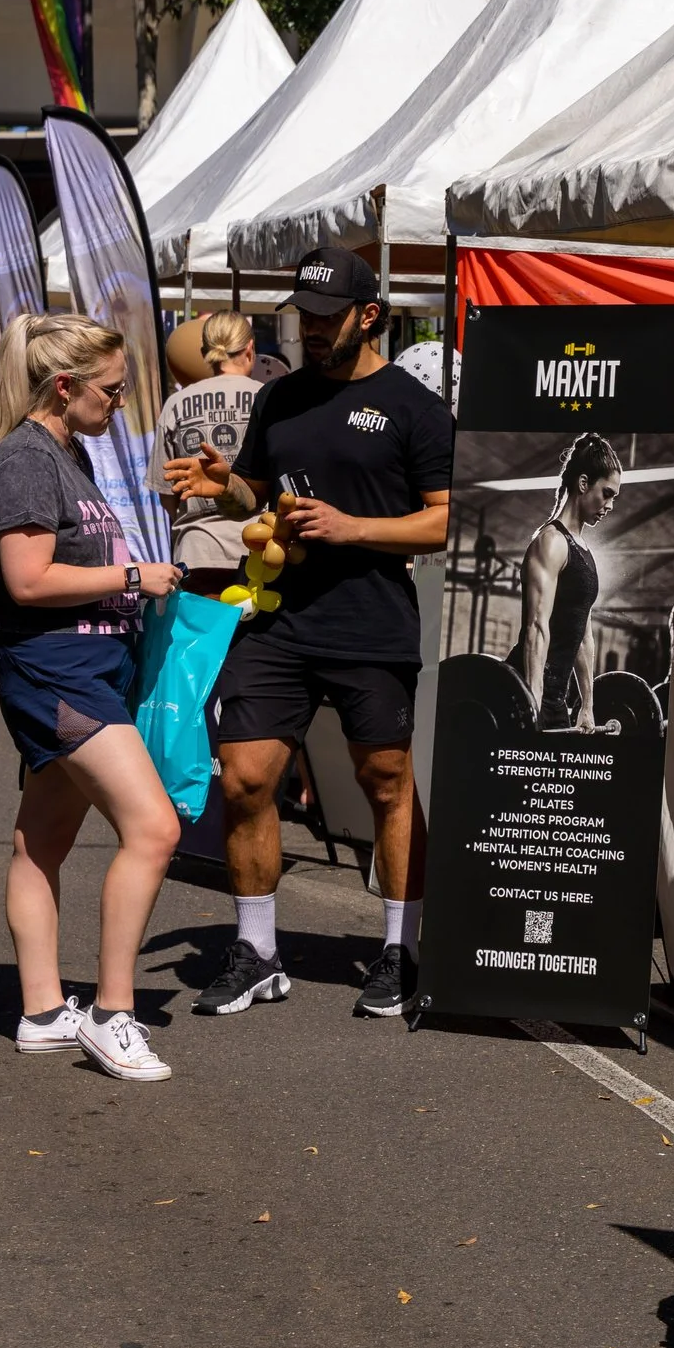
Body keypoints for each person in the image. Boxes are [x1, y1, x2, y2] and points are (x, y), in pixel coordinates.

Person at [163, 246, 451, 1021]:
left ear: (369, 315)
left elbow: (445, 517)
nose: (313, 329)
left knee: (387, 782)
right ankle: (256, 951)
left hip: (371, 622)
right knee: (245, 776)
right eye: (304, 316)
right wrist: (228, 487)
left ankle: (402, 946)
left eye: (327, 317)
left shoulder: (414, 407)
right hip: (278, 617)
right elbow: (257, 490)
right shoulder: (279, 396)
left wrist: (355, 528)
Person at [0, 313, 183, 1082]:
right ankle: (111, 1010)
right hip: (57, 672)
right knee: (154, 828)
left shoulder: (67, 451)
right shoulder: (27, 460)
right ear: (63, 387)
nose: (119, 404)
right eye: (111, 390)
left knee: (42, 842)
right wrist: (132, 577)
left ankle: (39, 1012)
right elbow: (29, 580)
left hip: (85, 667)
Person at [510, 433, 620, 730]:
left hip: (556, 697)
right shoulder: (551, 542)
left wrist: (587, 704)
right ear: (583, 484)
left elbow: (582, 636)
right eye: (607, 493)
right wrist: (531, 703)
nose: (609, 505)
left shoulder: (583, 550)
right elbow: (536, 627)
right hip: (527, 690)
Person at [157, 311, 264, 597]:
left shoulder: (176, 404)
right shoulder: (268, 397)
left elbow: (167, 492)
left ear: (205, 352)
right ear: (250, 349)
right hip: (261, 551)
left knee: (205, 640)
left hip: (198, 550)